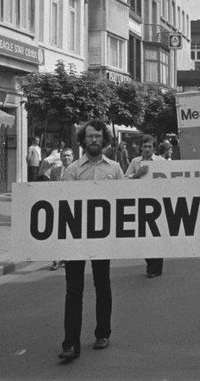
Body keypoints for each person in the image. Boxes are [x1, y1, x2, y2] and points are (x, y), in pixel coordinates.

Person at [58, 121, 129, 362]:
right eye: (90, 136)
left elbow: (125, 201)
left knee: (102, 285)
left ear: (104, 139)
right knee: (73, 290)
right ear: (83, 140)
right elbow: (63, 203)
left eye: (98, 136)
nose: (94, 140)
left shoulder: (115, 169)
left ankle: (103, 333)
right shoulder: (72, 170)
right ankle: (70, 343)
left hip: (102, 238)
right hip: (76, 238)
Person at [124, 137, 160, 277]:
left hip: (158, 201)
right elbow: (124, 179)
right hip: (140, 201)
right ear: (141, 148)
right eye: (144, 146)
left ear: (154, 148)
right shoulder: (135, 162)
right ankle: (152, 264)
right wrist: (136, 175)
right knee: (145, 235)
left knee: (156, 235)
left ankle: (154, 268)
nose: (147, 149)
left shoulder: (161, 162)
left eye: (149, 146)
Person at [49, 147, 75, 270]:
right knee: (56, 233)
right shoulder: (55, 171)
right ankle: (55, 260)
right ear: (61, 158)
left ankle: (66, 257)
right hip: (57, 205)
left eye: (69, 155)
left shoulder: (77, 171)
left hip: (72, 206)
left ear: (73, 157)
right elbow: (50, 188)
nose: (66, 158)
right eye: (64, 156)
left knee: (68, 234)